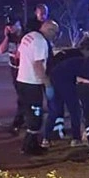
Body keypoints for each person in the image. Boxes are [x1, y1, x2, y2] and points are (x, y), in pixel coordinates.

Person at [42, 37, 89, 148]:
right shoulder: (80, 59)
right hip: (65, 83)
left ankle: (46, 139)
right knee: (75, 110)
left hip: (51, 80)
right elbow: (81, 76)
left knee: (54, 111)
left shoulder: (68, 53)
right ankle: (76, 139)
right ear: (87, 49)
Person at [16, 20, 59, 155]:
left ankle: (32, 144)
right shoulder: (40, 42)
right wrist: (47, 84)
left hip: (21, 80)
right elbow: (38, 65)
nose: (55, 36)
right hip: (32, 83)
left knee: (30, 113)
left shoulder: (28, 36)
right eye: (55, 33)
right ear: (49, 30)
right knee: (36, 115)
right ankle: (28, 146)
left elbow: (19, 55)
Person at [0, 16, 24, 132]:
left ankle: (19, 121)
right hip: (14, 69)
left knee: (22, 96)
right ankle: (22, 118)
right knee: (20, 95)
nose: (11, 28)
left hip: (24, 69)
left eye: (13, 25)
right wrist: (6, 37)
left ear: (19, 24)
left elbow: (20, 54)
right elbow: (1, 50)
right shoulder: (10, 37)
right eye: (9, 26)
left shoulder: (24, 36)